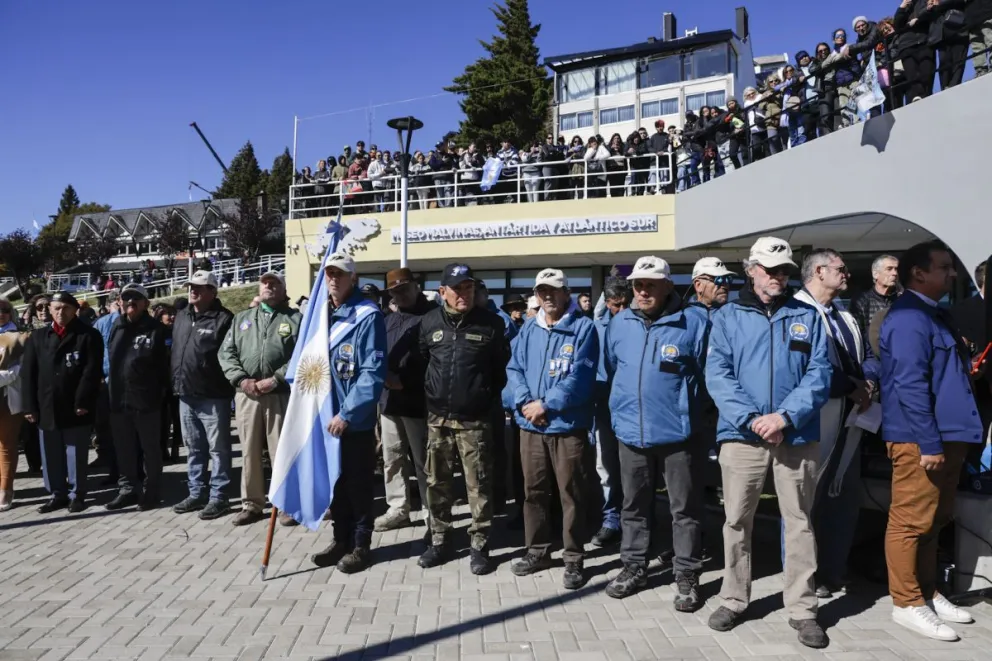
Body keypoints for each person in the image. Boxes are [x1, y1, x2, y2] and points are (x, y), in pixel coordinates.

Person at [706, 238, 831, 649]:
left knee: (798, 523)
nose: (779, 277)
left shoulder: (806, 315)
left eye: (784, 270)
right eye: (771, 269)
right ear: (751, 269)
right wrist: (754, 419)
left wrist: (784, 417)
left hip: (795, 435)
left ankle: (802, 609)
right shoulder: (727, 317)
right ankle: (734, 598)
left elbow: (819, 374)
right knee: (736, 521)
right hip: (742, 437)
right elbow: (718, 374)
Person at [880, 241, 983, 641]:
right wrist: (929, 444)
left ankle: (926, 592)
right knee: (910, 522)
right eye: (944, 267)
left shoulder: (934, 315)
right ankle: (906, 602)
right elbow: (909, 385)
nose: (953, 274)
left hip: (947, 437)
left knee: (933, 521)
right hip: (922, 440)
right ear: (918, 273)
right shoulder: (909, 317)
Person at [601, 257, 709, 610]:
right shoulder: (620, 324)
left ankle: (687, 574)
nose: (643, 291)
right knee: (633, 506)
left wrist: (692, 413)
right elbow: (613, 368)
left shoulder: (693, 322)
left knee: (685, 510)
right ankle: (633, 567)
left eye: (650, 284)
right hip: (631, 433)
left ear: (667, 285)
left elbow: (711, 376)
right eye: (638, 285)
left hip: (680, 436)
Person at [507, 269, 598, 590]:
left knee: (570, 494)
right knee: (533, 492)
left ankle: (573, 557)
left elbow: (581, 379)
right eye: (542, 290)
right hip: (530, 425)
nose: (548, 296)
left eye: (554, 290)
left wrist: (546, 404)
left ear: (566, 293)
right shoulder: (529, 328)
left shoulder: (583, 328)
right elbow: (514, 368)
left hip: (565, 426)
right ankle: (538, 551)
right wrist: (525, 402)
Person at [417, 264, 510, 574]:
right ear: (443, 292)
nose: (464, 294)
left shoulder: (492, 325)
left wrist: (480, 396)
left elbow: (500, 373)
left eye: (469, 288)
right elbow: (423, 363)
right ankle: (440, 540)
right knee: (436, 482)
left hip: (475, 420)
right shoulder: (429, 322)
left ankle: (480, 545)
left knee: (479, 485)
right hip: (437, 419)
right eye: (457, 289)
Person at [793, 250, 870, 597]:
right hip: (815, 420)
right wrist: (852, 388)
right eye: (840, 268)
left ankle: (832, 571)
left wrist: (869, 383)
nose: (847, 274)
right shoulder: (796, 312)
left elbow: (865, 358)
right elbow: (807, 368)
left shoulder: (845, 315)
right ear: (820, 271)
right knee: (807, 503)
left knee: (843, 498)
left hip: (851, 420)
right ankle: (802, 580)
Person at [310, 252, 386, 573]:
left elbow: (373, 372)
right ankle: (340, 538)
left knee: (357, 486)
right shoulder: (319, 316)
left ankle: (360, 545)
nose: (334, 279)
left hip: (352, 422)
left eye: (340, 274)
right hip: (325, 419)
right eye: (329, 274)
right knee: (335, 486)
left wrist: (348, 414)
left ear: (353, 278)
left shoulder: (367, 316)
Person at [219, 272, 301, 527]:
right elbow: (227, 353)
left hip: (278, 394)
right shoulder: (242, 319)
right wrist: (242, 380)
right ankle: (252, 504)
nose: (269, 286)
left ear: (283, 288)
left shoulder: (296, 319)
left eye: (274, 283)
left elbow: (301, 355)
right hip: (247, 395)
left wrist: (276, 378)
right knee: (249, 452)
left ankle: (285, 504)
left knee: (282, 452)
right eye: (265, 283)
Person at [20, 292, 104, 513]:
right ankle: (57, 494)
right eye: (55, 308)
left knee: (75, 452)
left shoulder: (88, 335)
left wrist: (83, 401)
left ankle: (77, 494)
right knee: (50, 453)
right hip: (46, 405)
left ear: (75, 309)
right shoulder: (38, 337)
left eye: (65, 308)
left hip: (76, 405)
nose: (59, 312)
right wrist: (29, 406)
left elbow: (91, 372)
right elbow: (28, 374)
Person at [374, 268, 434, 533]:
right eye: (395, 291)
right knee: (393, 457)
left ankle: (432, 512)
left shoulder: (432, 317)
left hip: (417, 401)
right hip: (389, 401)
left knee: (424, 461)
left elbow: (435, 361)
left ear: (416, 287)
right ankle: (398, 508)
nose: (401, 294)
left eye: (405, 288)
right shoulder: (387, 320)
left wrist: (404, 381)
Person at [171, 271, 235, 520]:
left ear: (213, 291)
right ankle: (196, 492)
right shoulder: (182, 316)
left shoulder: (224, 319)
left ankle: (219, 496)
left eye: (199, 287)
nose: (193, 290)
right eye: (191, 286)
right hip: (185, 394)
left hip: (213, 396)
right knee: (194, 448)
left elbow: (229, 355)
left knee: (218, 450)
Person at [104, 284, 170, 511]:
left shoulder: (155, 329)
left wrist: (158, 394)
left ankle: (152, 492)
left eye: (136, 297)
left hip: (146, 401)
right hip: (118, 401)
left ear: (146, 303)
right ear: (119, 302)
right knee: (124, 449)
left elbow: (164, 367)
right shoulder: (116, 327)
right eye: (126, 297)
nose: (130, 301)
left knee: (150, 450)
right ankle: (128, 490)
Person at [589, 282, 632, 549]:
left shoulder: (639, 324)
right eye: (615, 306)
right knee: (606, 467)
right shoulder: (596, 328)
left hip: (633, 408)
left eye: (624, 304)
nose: (621, 310)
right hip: (603, 405)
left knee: (634, 470)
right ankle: (611, 518)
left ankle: (635, 520)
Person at [0, 308, 26, 511]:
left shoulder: (18, 337)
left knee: (7, 446)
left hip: (7, 399)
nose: (0, 314)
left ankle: (6, 489)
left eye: (4, 311)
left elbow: (17, 371)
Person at [850, 255, 900, 340]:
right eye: (889, 269)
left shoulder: (902, 299)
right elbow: (856, 334)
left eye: (896, 269)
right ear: (875, 274)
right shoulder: (862, 301)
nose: (894, 273)